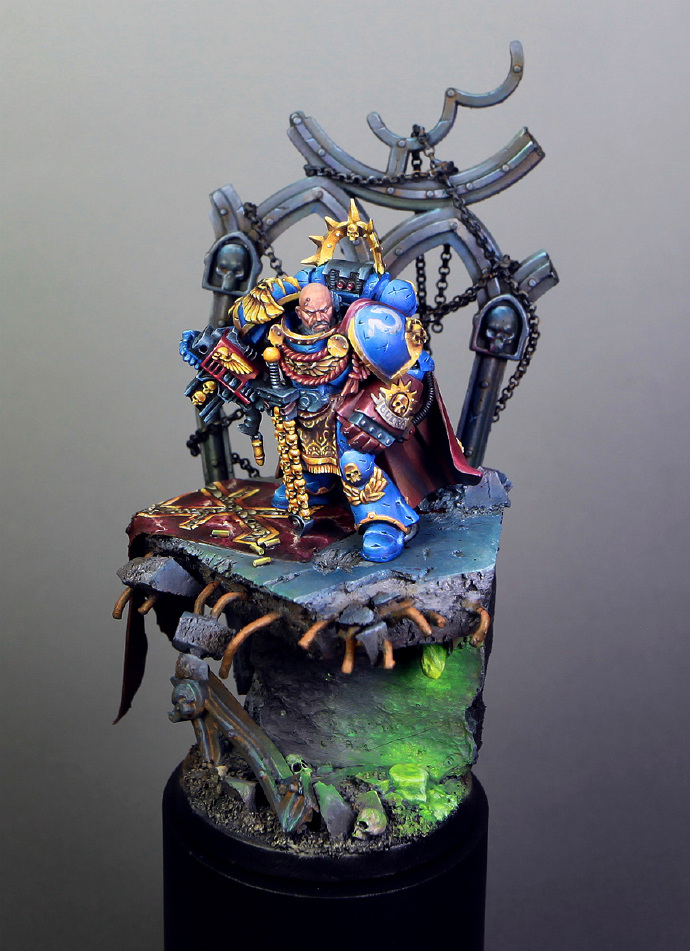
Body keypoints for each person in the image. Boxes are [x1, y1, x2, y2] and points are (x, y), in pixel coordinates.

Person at [181, 203, 481, 562]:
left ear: (335, 305)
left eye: (323, 310)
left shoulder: (362, 325)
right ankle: (318, 485)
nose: (317, 318)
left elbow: (410, 369)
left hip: (344, 412)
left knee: (355, 464)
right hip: (302, 414)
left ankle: (385, 521)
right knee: (306, 458)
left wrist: (379, 413)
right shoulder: (280, 327)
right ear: (298, 309)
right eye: (309, 311)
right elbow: (246, 340)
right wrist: (224, 360)